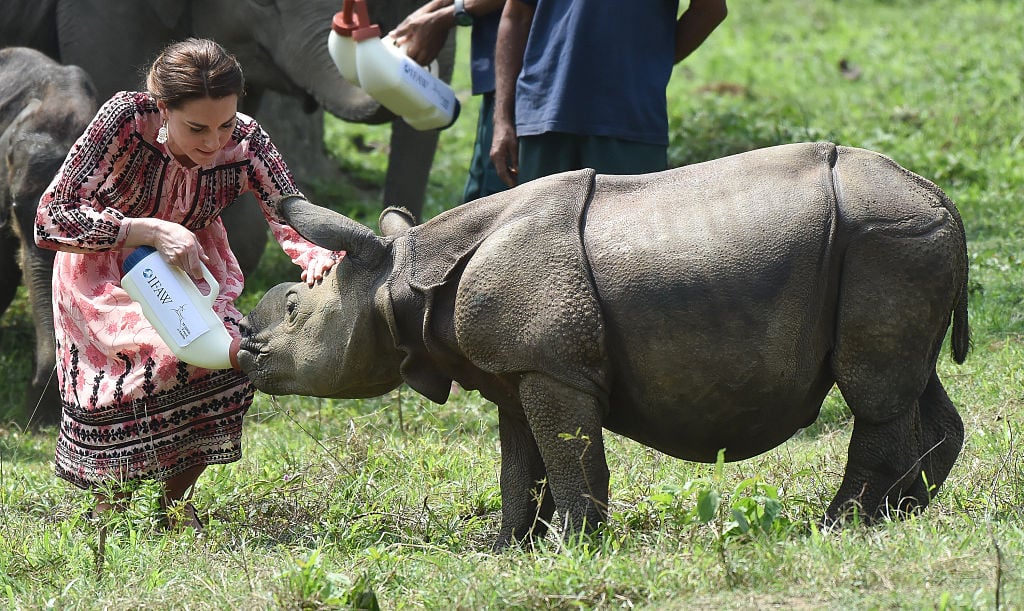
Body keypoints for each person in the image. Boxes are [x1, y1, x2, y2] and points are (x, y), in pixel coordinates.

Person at [35, 38, 340, 530]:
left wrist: (318, 255)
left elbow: (289, 209)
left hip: (193, 275)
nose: (214, 141)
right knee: (146, 372)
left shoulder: (246, 140)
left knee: (230, 361)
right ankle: (108, 510)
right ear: (162, 106)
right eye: (197, 127)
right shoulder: (123, 122)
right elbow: (50, 219)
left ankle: (174, 506)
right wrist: (146, 229)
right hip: (105, 273)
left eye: (224, 124)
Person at [490, 0, 728, 187]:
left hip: (627, 118)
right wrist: (501, 120)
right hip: (543, 114)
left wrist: (652, 62)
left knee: (629, 241)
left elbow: (709, 9)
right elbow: (516, 14)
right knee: (538, 239)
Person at [389, 0, 509, 203]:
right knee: (479, 200)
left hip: (528, 78)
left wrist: (447, 16)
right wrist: (438, 8)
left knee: (504, 201)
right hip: (500, 74)